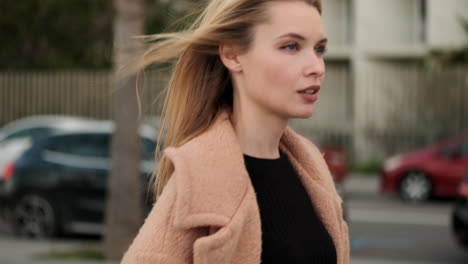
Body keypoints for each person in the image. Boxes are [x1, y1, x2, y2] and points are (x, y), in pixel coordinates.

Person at [122, 0, 349, 263]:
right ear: (232, 55)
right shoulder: (200, 176)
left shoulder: (311, 170)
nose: (317, 67)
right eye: (290, 46)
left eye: (319, 49)